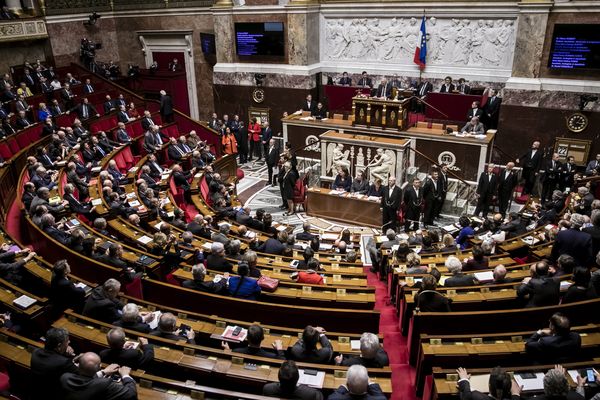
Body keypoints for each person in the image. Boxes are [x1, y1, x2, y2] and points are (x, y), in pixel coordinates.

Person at [60, 352, 137, 399]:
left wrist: (103, 372)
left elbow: (86, 381)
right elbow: (131, 394)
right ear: (98, 368)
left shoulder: (65, 378)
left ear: (78, 366)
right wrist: (125, 375)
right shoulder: (104, 383)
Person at [30, 327, 79, 399]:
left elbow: (53, 358)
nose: (69, 342)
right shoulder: (64, 362)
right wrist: (74, 357)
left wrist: (63, 351)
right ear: (59, 346)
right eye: (67, 341)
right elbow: (81, 375)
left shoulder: (35, 352)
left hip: (35, 394)